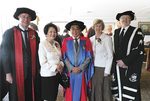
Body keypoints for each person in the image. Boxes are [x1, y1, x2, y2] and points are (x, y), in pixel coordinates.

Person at [1, 7, 41, 101]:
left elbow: (38, 53)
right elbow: (4, 54)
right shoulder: (9, 33)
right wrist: (7, 73)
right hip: (15, 71)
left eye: (28, 17)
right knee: (16, 95)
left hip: (31, 71)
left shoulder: (34, 34)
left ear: (30, 19)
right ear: (18, 17)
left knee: (30, 94)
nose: (26, 19)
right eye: (23, 17)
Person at [111, 11, 144, 101]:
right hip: (118, 66)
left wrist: (125, 62)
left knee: (131, 88)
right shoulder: (116, 32)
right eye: (123, 18)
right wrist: (117, 62)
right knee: (119, 86)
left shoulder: (136, 31)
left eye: (127, 18)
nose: (125, 20)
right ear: (119, 21)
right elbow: (113, 49)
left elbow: (138, 49)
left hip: (130, 65)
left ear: (130, 20)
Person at [61, 20, 94, 101]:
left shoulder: (86, 41)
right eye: (73, 29)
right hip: (70, 72)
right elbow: (64, 57)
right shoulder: (66, 41)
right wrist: (71, 68)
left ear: (80, 30)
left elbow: (89, 57)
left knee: (82, 93)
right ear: (70, 30)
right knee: (70, 93)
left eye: (77, 29)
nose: (75, 31)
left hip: (81, 72)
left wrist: (80, 68)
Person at [38, 23, 64, 101]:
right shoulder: (42, 44)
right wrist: (56, 67)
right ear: (46, 33)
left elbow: (61, 58)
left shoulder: (56, 44)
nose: (53, 33)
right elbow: (43, 63)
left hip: (56, 75)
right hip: (47, 76)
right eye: (51, 31)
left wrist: (61, 65)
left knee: (54, 97)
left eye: (54, 32)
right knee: (48, 98)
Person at [90, 19, 113, 101]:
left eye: (100, 26)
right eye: (96, 26)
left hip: (103, 68)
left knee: (104, 88)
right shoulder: (91, 39)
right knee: (95, 87)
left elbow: (110, 55)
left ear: (102, 27)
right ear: (94, 27)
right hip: (93, 68)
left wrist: (107, 71)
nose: (98, 28)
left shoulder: (107, 38)